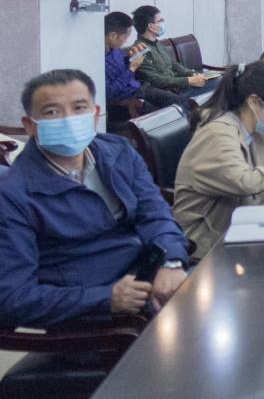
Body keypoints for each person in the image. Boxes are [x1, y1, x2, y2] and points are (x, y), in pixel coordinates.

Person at [0, 69, 189, 327]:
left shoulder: (119, 153)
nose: (69, 120)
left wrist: (172, 261)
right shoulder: (13, 194)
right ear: (30, 125)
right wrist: (105, 299)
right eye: (52, 112)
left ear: (95, 114)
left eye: (79, 108)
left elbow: (156, 214)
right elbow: (13, 298)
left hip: (150, 276)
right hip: (94, 315)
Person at [173, 62, 264, 256]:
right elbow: (245, 182)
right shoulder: (217, 133)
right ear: (254, 102)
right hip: (207, 245)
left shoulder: (256, 127)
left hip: (242, 228)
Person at [104, 11, 182, 122]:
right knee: (166, 116)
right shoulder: (97, 62)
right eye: (125, 37)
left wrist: (130, 58)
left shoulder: (115, 49)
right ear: (113, 36)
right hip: (125, 101)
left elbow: (120, 68)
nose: (126, 41)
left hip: (139, 89)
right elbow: (110, 92)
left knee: (176, 101)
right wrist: (131, 69)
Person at [130, 5, 216, 99]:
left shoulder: (158, 43)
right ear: (151, 26)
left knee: (218, 80)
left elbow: (174, 65)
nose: (163, 23)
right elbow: (155, 80)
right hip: (169, 93)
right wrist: (188, 81)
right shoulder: (139, 50)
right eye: (160, 21)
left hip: (179, 86)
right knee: (218, 84)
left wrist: (192, 74)